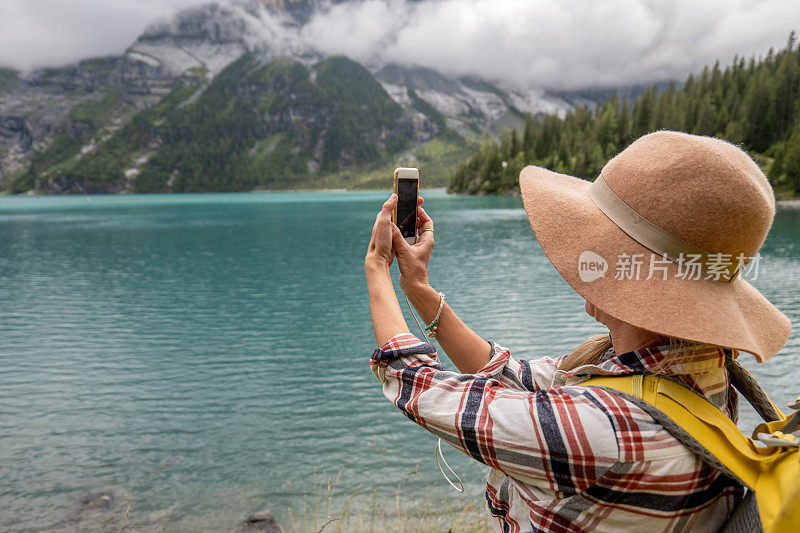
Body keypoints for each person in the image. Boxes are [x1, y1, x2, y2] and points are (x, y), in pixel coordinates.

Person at [363, 131, 791, 532]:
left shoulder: (606, 430)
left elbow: (416, 383)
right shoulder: (703, 371)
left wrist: (377, 268)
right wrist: (417, 287)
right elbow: (514, 376)